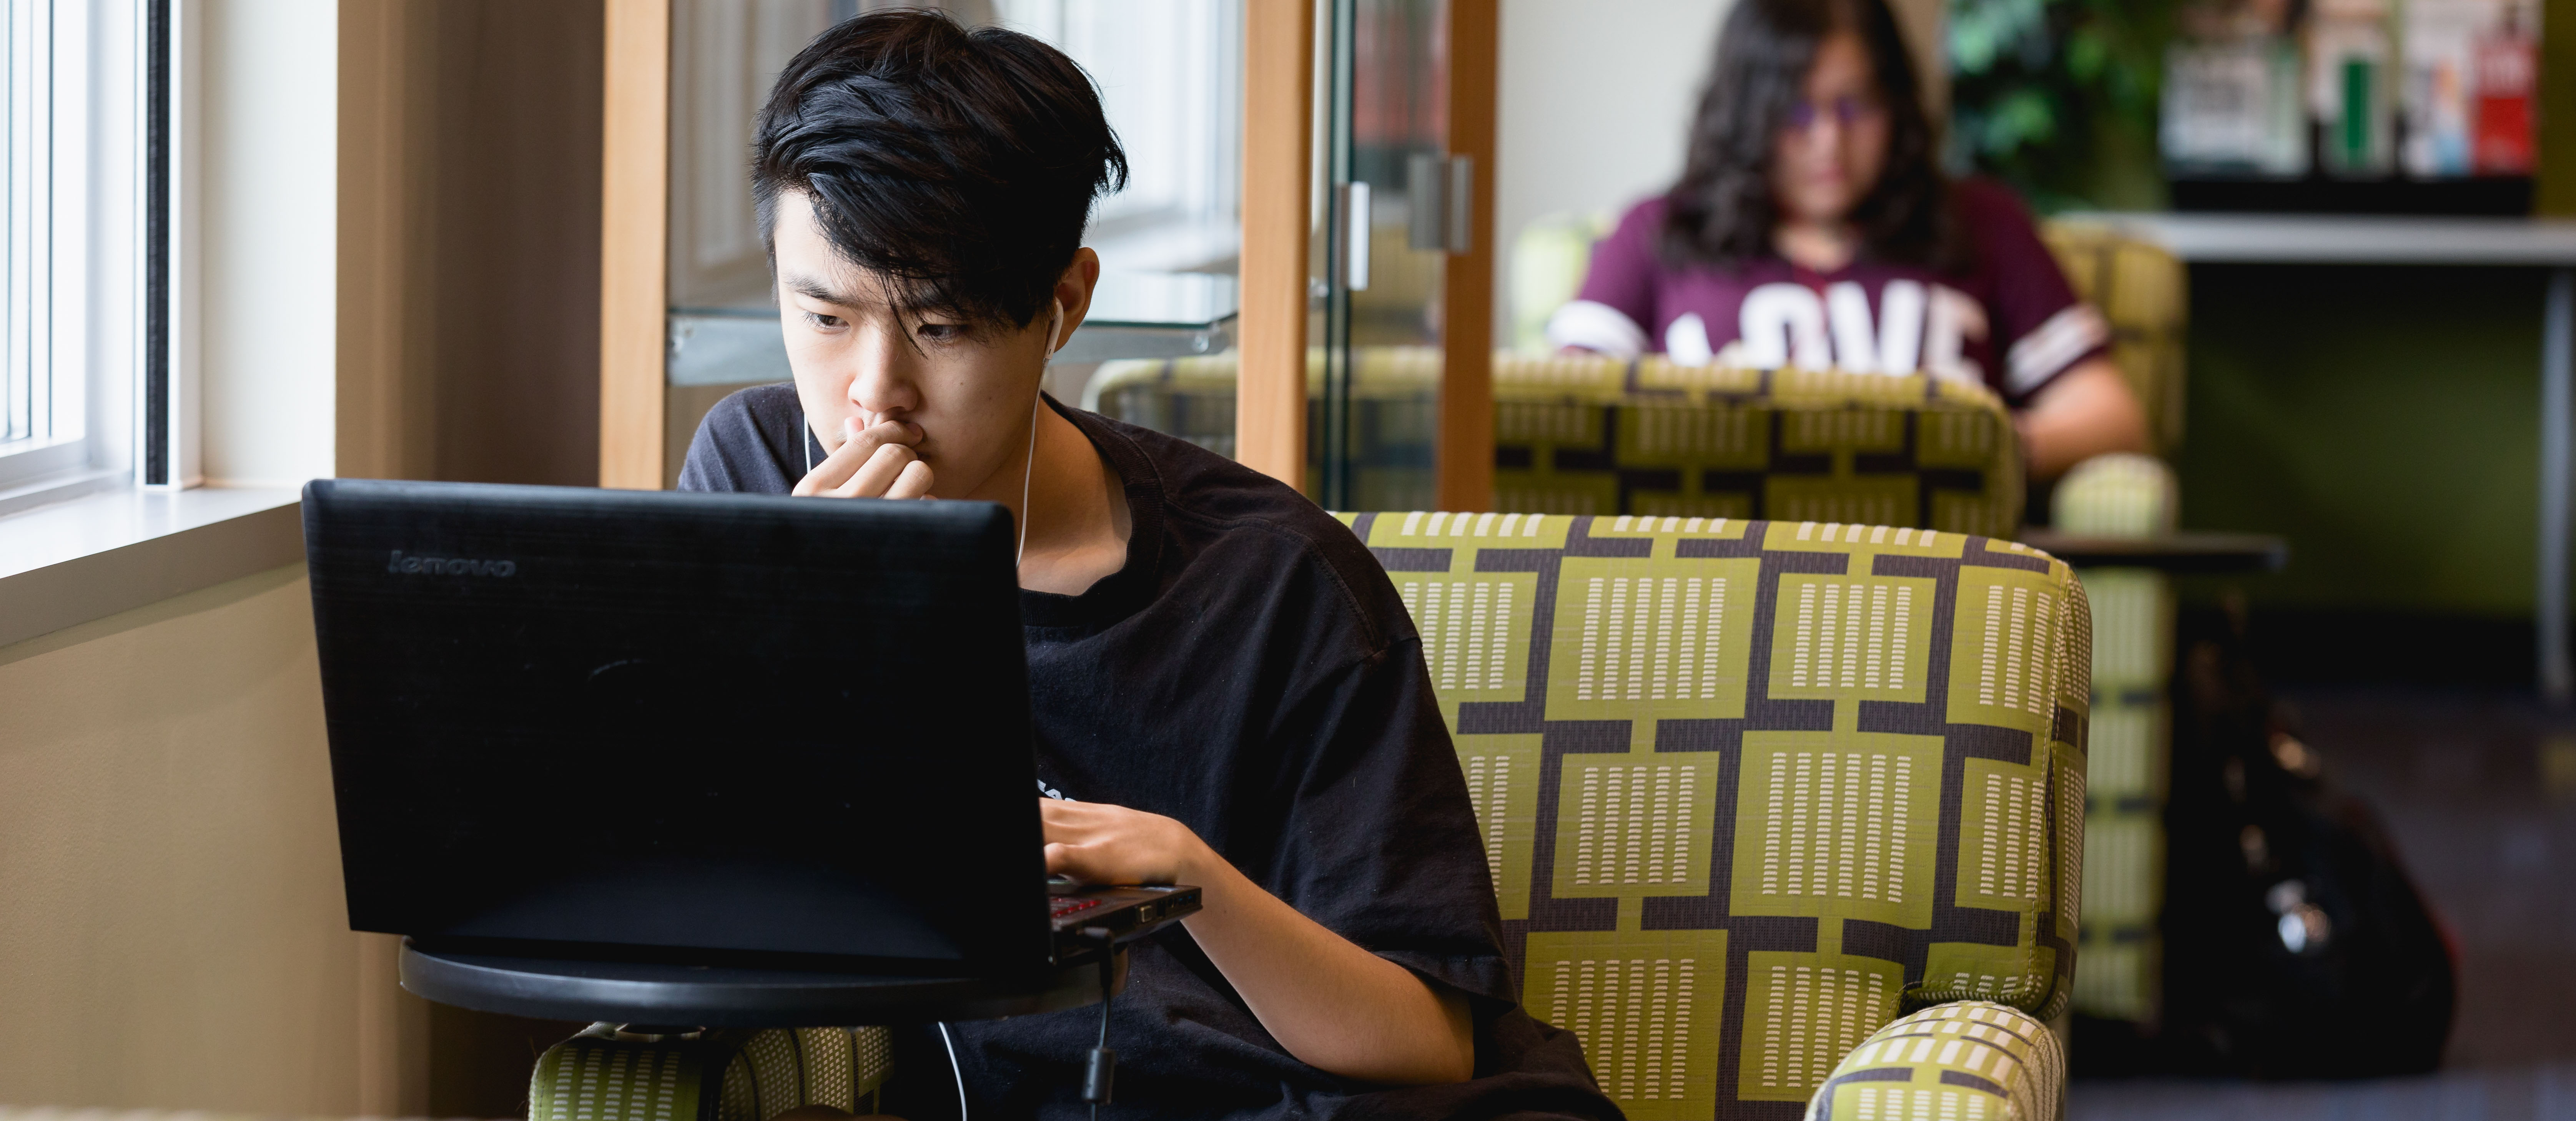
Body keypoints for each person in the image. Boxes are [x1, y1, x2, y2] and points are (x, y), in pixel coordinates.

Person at [677, 11, 1618, 1120]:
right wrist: (811, 633)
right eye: (824, 315)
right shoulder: (757, 478)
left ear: (1065, 302)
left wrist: (1188, 875)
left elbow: (1426, 1040)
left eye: (938, 327)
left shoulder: (1275, 585)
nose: (872, 390)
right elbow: (685, 895)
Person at [1545, 0, 2149, 480]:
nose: (1829, 141)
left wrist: (1981, 450)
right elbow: (1560, 410)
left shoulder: (1982, 221)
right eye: (1795, 113)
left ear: (1896, 105)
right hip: (1713, 584)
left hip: (1936, 582)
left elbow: (2112, 417)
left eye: (1854, 106)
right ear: (1747, 114)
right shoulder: (1661, 229)